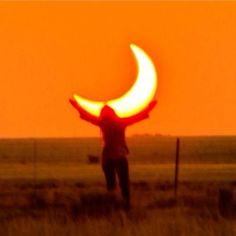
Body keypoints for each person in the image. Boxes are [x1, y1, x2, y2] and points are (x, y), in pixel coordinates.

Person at [69, 99, 156, 209]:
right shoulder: (121, 122)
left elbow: (88, 116)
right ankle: (125, 205)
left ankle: (113, 204)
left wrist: (77, 106)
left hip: (108, 157)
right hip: (120, 155)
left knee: (111, 185)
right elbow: (137, 116)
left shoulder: (103, 123)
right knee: (124, 184)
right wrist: (149, 107)